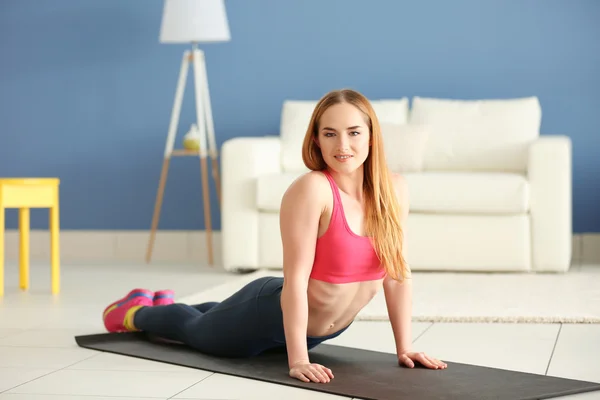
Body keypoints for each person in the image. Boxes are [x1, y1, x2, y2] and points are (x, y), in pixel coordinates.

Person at [102, 88, 447, 384]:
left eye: (354, 132)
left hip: (315, 331)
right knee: (194, 331)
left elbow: (397, 276)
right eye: (330, 133)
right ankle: (136, 311)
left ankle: (163, 300)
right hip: (266, 314)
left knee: (214, 314)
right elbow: (296, 281)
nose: (343, 145)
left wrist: (405, 347)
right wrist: (297, 360)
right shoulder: (313, 189)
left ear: (372, 136)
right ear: (316, 139)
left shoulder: (395, 190)